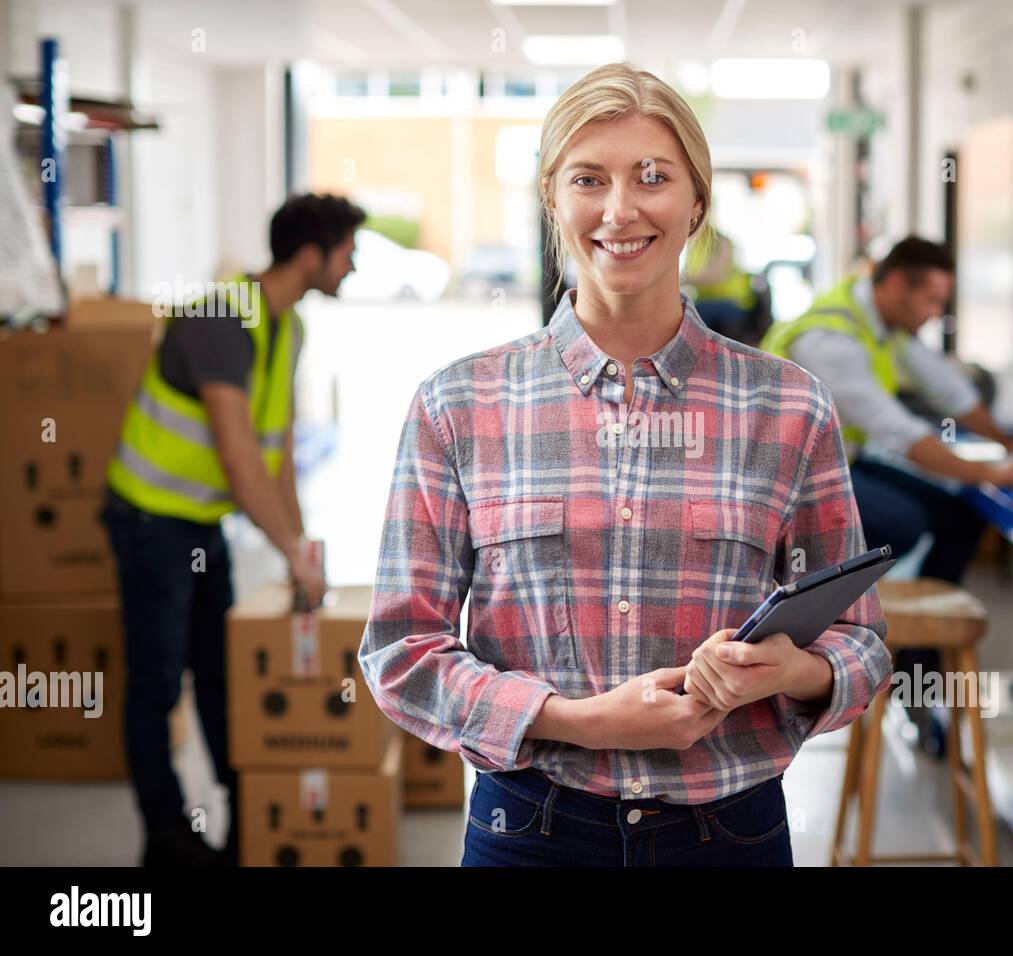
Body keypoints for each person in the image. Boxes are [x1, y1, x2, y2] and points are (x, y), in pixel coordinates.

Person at [358, 63, 892, 867]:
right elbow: (402, 652)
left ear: (697, 202)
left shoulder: (789, 407)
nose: (620, 209)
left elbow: (865, 645)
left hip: (729, 831)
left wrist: (793, 671)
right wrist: (575, 720)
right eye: (588, 179)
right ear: (552, 200)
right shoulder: (458, 404)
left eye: (652, 177)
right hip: (530, 830)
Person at [101, 193, 364, 866]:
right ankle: (164, 835)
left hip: (198, 525)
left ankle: (247, 816)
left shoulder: (287, 327)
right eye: (346, 252)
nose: (353, 265)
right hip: (149, 520)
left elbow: (275, 458)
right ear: (311, 256)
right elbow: (241, 463)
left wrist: (303, 552)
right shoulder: (220, 320)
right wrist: (291, 554)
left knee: (219, 674)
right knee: (159, 682)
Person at [762, 237, 1013, 584]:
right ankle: (831, 615)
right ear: (898, 284)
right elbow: (900, 433)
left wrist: (1007, 443)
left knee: (959, 514)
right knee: (901, 523)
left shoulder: (883, 322)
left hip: (839, 462)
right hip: (789, 480)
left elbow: (949, 388)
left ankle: (926, 634)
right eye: (931, 301)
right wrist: (993, 472)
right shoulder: (830, 341)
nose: (935, 313)